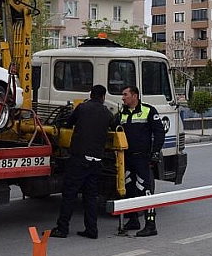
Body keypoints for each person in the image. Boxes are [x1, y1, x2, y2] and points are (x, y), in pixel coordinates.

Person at [50, 85, 115, 239]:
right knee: (90, 196)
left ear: (91, 94)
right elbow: (113, 126)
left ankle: (62, 228)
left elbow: (68, 122)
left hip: (80, 158)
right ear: (103, 97)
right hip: (96, 160)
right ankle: (92, 230)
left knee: (70, 194)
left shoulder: (82, 108)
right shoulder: (107, 113)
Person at [118, 85, 164, 237]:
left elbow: (159, 132)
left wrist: (155, 152)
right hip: (127, 158)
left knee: (145, 190)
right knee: (129, 189)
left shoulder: (148, 110)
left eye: (125, 94)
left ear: (135, 96)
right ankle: (133, 220)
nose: (123, 97)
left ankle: (151, 225)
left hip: (142, 158)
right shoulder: (121, 114)